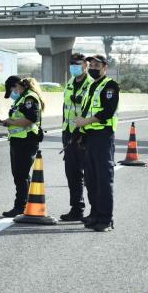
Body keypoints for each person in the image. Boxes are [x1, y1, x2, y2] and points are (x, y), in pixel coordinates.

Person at [74, 55, 119, 232]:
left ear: (105, 67)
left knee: (103, 179)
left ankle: (106, 219)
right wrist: (81, 133)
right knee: (91, 179)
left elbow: (108, 111)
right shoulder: (92, 85)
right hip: (90, 136)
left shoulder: (110, 85)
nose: (93, 67)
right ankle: (95, 214)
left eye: (96, 65)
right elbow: (86, 109)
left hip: (103, 136)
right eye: (91, 64)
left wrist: (85, 122)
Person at [0, 76, 46, 218]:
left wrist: (8, 123)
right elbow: (18, 118)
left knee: (21, 175)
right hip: (18, 141)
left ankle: (20, 207)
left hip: (26, 141)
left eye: (12, 89)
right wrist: (5, 122)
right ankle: (25, 204)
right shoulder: (21, 98)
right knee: (19, 175)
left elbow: (30, 119)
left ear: (17, 85)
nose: (12, 93)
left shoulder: (30, 98)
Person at [59, 53, 93, 222]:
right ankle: (77, 208)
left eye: (77, 64)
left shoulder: (91, 85)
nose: (74, 67)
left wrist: (82, 132)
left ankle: (95, 211)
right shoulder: (70, 83)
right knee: (72, 173)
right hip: (69, 134)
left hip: (85, 135)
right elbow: (65, 108)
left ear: (85, 66)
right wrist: (65, 131)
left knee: (91, 174)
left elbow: (91, 111)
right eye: (72, 64)